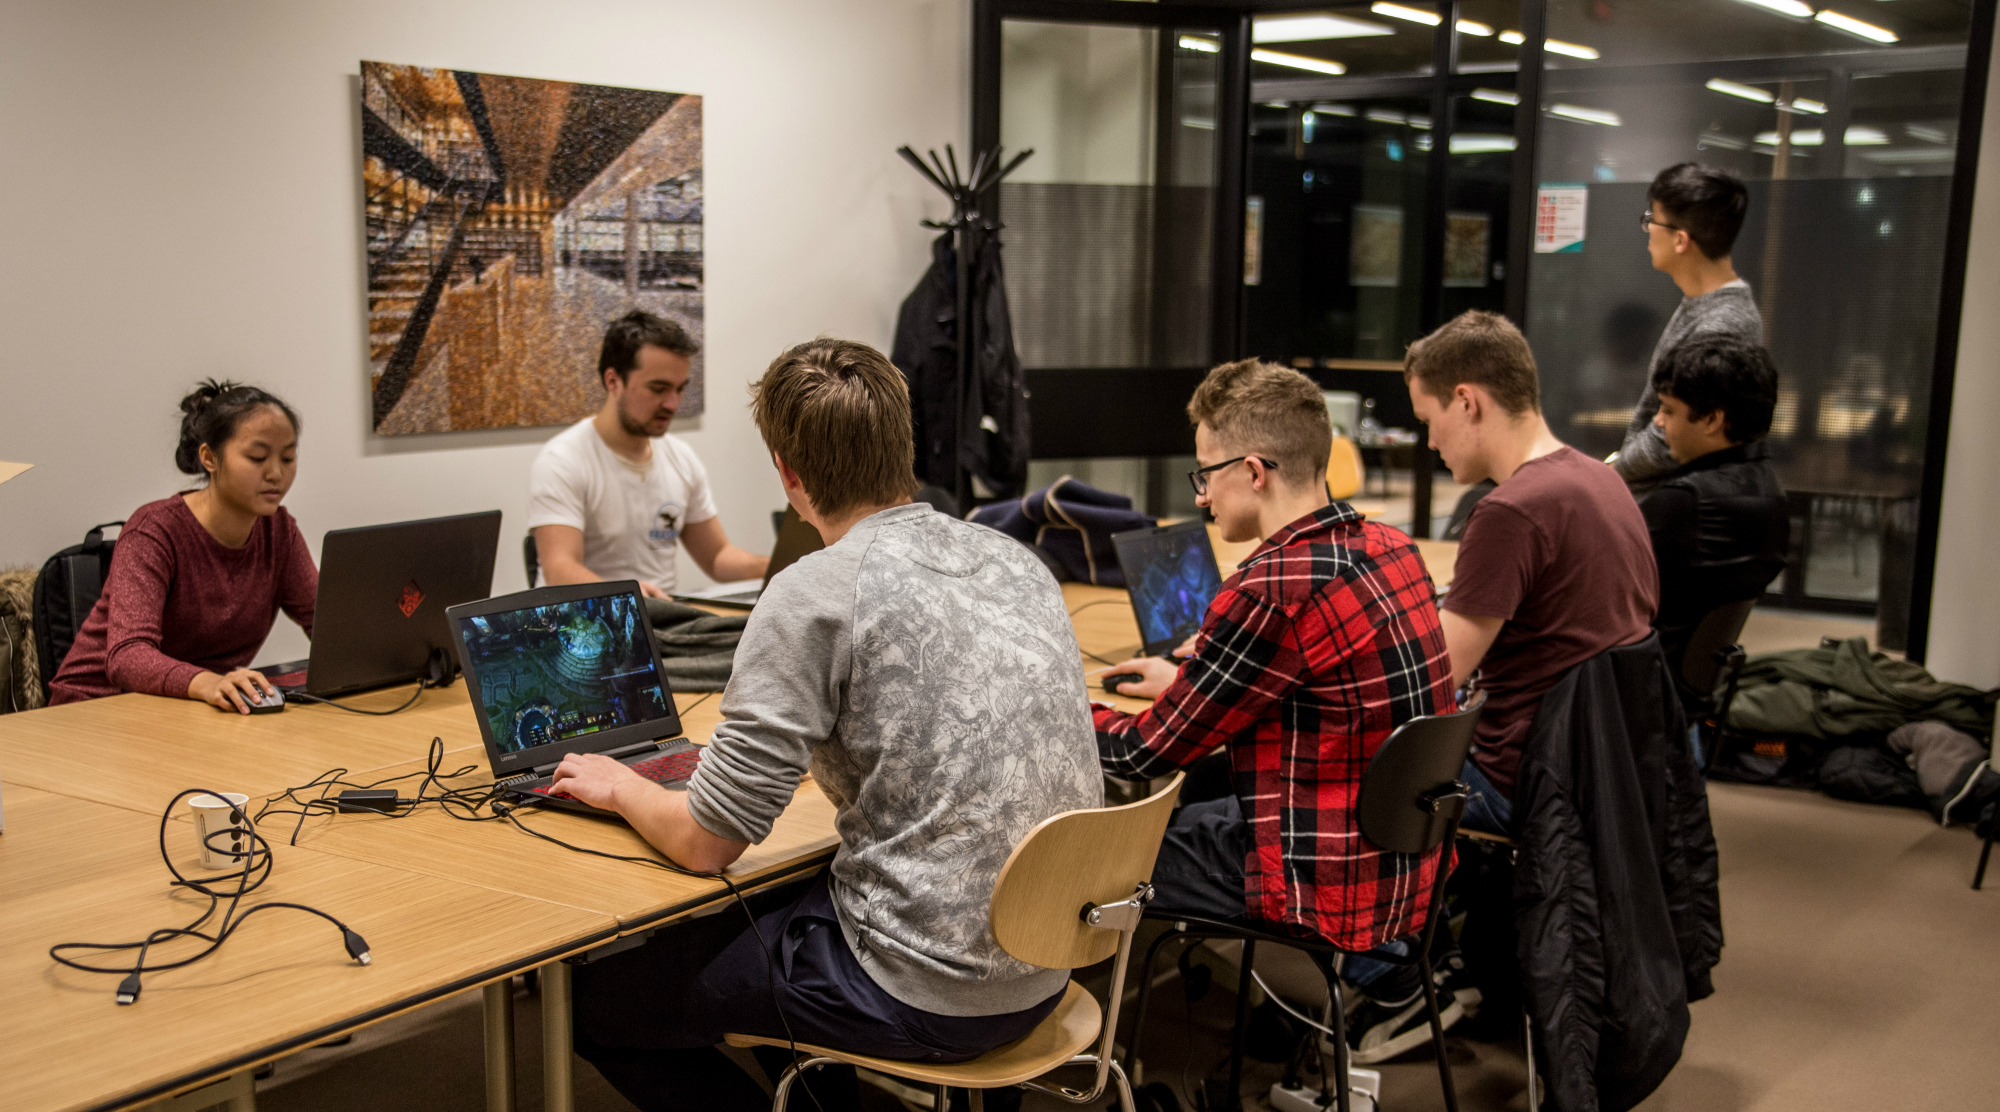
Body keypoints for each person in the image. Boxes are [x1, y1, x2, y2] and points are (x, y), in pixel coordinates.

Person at [548, 338, 1102, 1112]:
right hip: (1048, 960)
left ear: (788, 473)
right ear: (904, 445)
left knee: (596, 1007)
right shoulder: (1017, 561)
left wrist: (619, 787)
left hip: (922, 985)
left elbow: (708, 844)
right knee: (779, 912)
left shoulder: (814, 591)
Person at [1095, 359, 1459, 1066]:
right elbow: (1303, 681)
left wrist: (1061, 707)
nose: (1202, 496)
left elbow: (1143, 753)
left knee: (1091, 857)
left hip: (1319, 879)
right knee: (1190, 809)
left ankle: (1083, 1062)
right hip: (1406, 862)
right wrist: (1192, 679)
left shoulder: (1272, 588)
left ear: (1254, 472)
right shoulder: (1390, 549)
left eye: (1206, 474)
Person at [1404, 311, 1657, 834]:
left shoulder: (1511, 511)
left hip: (1519, 782)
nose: (1430, 442)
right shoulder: (1602, 479)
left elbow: (1431, 679)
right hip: (1603, 767)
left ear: (1467, 401)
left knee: (1319, 766)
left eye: (1428, 420)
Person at [49, 381, 315, 712]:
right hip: (93, 710)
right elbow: (128, 656)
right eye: (257, 457)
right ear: (209, 458)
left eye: (288, 458)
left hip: (187, 709)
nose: (276, 473)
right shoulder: (154, 531)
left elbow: (326, 623)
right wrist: (209, 683)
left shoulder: (279, 531)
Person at [528, 310, 767, 599]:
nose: (672, 403)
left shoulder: (681, 458)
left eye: (679, 389)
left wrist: (782, 566)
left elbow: (717, 557)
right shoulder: (562, 460)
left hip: (663, 616)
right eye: (658, 389)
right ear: (613, 381)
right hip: (589, 619)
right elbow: (559, 570)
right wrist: (628, 595)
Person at [1640, 336, 1788, 696]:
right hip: (1687, 692)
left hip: (1638, 694)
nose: (1658, 422)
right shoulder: (1769, 490)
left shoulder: (1687, 503)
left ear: (1711, 419)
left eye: (1668, 410)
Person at [1616, 162, 1764, 493]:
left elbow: (1673, 434)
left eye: (1651, 220)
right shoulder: (1703, 302)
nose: (1647, 229)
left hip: (1674, 504)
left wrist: (1611, 474)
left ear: (1681, 240)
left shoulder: (1723, 324)